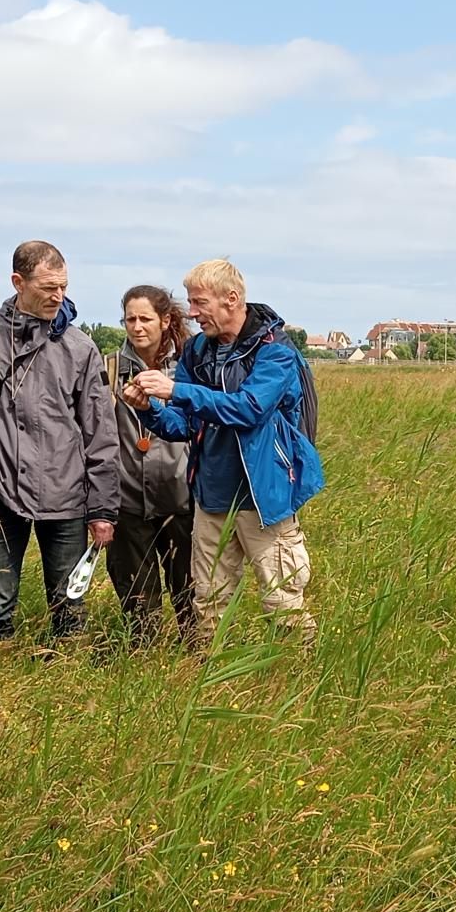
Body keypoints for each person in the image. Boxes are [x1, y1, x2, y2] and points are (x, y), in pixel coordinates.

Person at [125, 259, 324, 643]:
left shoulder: (275, 351)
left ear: (231, 299)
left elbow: (249, 409)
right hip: (212, 497)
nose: (192, 313)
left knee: (282, 599)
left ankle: (298, 673)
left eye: (199, 303)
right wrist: (148, 408)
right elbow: (182, 426)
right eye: (191, 302)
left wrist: (176, 391)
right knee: (209, 601)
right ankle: (210, 673)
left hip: (264, 498)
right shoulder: (198, 351)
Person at [0, 241, 120, 645]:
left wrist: (103, 507)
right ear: (18, 282)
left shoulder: (79, 347)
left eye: (64, 286)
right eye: (48, 287)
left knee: (70, 603)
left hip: (67, 494)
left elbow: (100, 433)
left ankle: (69, 685)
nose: (59, 296)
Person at [106, 285, 196, 645]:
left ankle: (196, 658)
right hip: (129, 500)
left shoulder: (190, 365)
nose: (137, 327)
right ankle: (146, 661)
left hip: (183, 498)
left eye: (145, 319)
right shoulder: (110, 367)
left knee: (191, 593)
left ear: (165, 320)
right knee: (138, 601)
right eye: (130, 319)